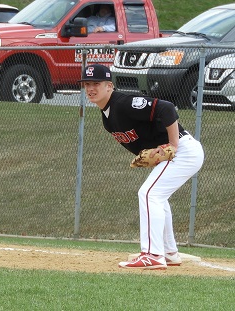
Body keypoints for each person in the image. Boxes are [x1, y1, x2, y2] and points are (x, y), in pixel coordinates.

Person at [79, 64, 204, 270]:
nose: (91, 88)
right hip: (181, 153)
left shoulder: (124, 103)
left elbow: (166, 108)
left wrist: (173, 144)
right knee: (157, 196)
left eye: (96, 84)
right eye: (87, 84)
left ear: (109, 86)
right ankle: (168, 252)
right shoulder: (108, 118)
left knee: (148, 194)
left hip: (183, 150)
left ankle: (153, 254)